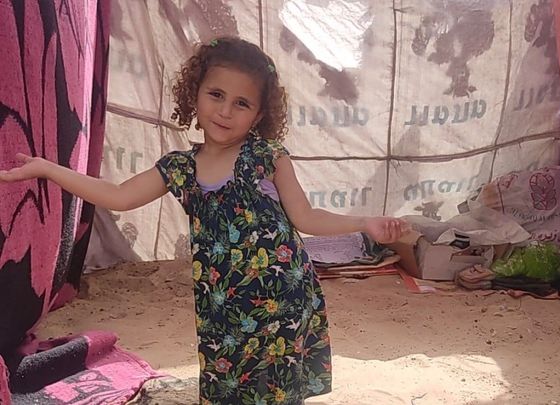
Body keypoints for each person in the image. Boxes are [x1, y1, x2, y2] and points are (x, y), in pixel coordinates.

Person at [0, 36, 407, 404]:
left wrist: (365, 222)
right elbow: (118, 195)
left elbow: (307, 217)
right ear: (194, 93)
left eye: (242, 103)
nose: (226, 111)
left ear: (259, 114)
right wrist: (49, 169)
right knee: (228, 384)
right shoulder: (179, 168)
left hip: (283, 298)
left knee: (276, 388)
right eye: (216, 94)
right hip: (221, 304)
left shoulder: (267, 156)